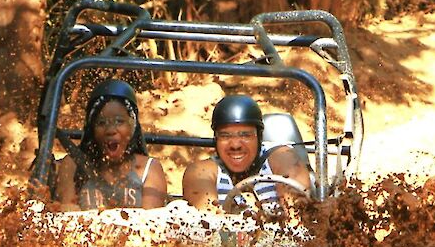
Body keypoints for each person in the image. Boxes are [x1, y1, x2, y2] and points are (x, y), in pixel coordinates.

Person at [182, 95, 311, 212]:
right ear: (216, 139)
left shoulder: (282, 158)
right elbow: (208, 225)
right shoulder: (201, 172)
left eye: (245, 135)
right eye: (225, 136)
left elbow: (297, 218)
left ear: (259, 137)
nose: (235, 145)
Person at [55, 79, 168, 210]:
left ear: (132, 128)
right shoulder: (73, 164)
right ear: (92, 130)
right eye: (101, 123)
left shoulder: (149, 169)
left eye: (119, 121)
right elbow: (66, 214)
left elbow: (152, 224)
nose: (110, 130)